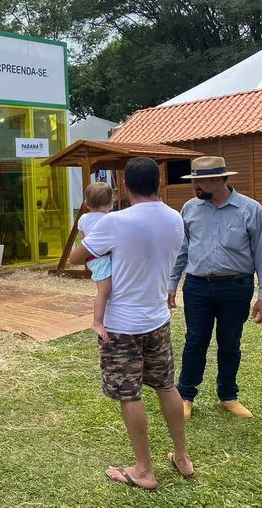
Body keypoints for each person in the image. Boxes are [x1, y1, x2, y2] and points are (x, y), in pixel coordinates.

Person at [69, 157, 193, 490]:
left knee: (130, 394)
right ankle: (181, 456)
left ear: (126, 186)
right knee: (167, 386)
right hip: (157, 319)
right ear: (159, 181)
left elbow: (76, 257)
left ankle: (144, 470)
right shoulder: (175, 218)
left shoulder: (116, 222)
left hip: (121, 323)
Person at [169, 156, 262, 420]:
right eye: (193, 180)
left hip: (236, 287)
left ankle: (228, 396)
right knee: (195, 341)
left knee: (230, 342)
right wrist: (171, 283)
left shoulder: (251, 210)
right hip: (197, 287)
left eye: (200, 181)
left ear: (219, 180)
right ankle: (185, 396)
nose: (194, 186)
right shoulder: (190, 208)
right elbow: (181, 250)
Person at [76, 182, 114, 340]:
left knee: (105, 289)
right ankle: (97, 321)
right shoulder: (109, 219)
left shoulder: (84, 218)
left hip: (92, 257)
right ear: (111, 203)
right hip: (101, 258)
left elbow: (82, 240)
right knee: (104, 291)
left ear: (86, 202)